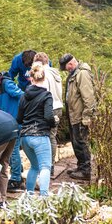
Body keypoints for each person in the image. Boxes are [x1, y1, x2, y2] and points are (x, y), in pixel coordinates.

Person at [17, 62, 55, 196]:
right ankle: (44, 198)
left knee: (34, 167)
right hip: (40, 135)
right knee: (45, 167)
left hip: (25, 137)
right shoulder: (47, 95)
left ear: (31, 79)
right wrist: (53, 123)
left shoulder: (23, 96)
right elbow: (49, 116)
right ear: (44, 78)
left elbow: (19, 118)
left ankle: (29, 196)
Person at [59, 53, 96, 181]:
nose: (66, 70)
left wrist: (87, 116)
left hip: (80, 115)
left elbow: (88, 97)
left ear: (71, 64)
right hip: (74, 114)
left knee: (81, 142)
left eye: (66, 67)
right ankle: (81, 167)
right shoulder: (74, 73)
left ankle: (86, 171)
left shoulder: (82, 74)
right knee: (76, 142)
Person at [0, 70, 25, 192]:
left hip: (15, 121)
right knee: (12, 151)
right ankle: (18, 172)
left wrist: (20, 113)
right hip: (4, 124)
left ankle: (16, 179)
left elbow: (22, 96)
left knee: (13, 151)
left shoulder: (6, 84)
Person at [32, 52, 63, 175]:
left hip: (48, 107)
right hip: (58, 106)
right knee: (52, 136)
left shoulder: (43, 73)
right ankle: (50, 166)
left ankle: (46, 167)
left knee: (46, 137)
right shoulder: (56, 73)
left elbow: (43, 92)